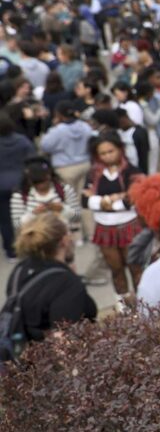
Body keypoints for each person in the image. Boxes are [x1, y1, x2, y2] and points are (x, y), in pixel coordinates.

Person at [6, 213, 96, 343]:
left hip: (21, 353)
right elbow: (64, 343)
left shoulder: (20, 269)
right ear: (64, 240)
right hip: (49, 360)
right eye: (69, 232)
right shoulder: (66, 284)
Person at [81, 132, 144, 300]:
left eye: (111, 151)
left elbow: (132, 200)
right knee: (116, 269)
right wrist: (110, 200)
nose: (108, 156)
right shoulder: (94, 174)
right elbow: (84, 201)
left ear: (120, 149)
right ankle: (123, 306)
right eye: (103, 153)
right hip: (104, 227)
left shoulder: (132, 171)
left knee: (135, 267)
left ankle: (144, 303)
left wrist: (101, 202)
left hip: (129, 224)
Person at [0, 113, 36, 259]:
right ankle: (29, 245)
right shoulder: (22, 141)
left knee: (5, 220)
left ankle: (11, 250)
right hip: (21, 183)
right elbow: (32, 159)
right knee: (25, 215)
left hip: (1, 186)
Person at [11, 157, 79, 231]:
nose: (41, 185)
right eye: (36, 182)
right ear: (29, 180)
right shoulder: (20, 196)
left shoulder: (65, 190)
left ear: (49, 175)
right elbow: (17, 226)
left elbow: (77, 217)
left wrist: (62, 209)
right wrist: (33, 214)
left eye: (43, 180)